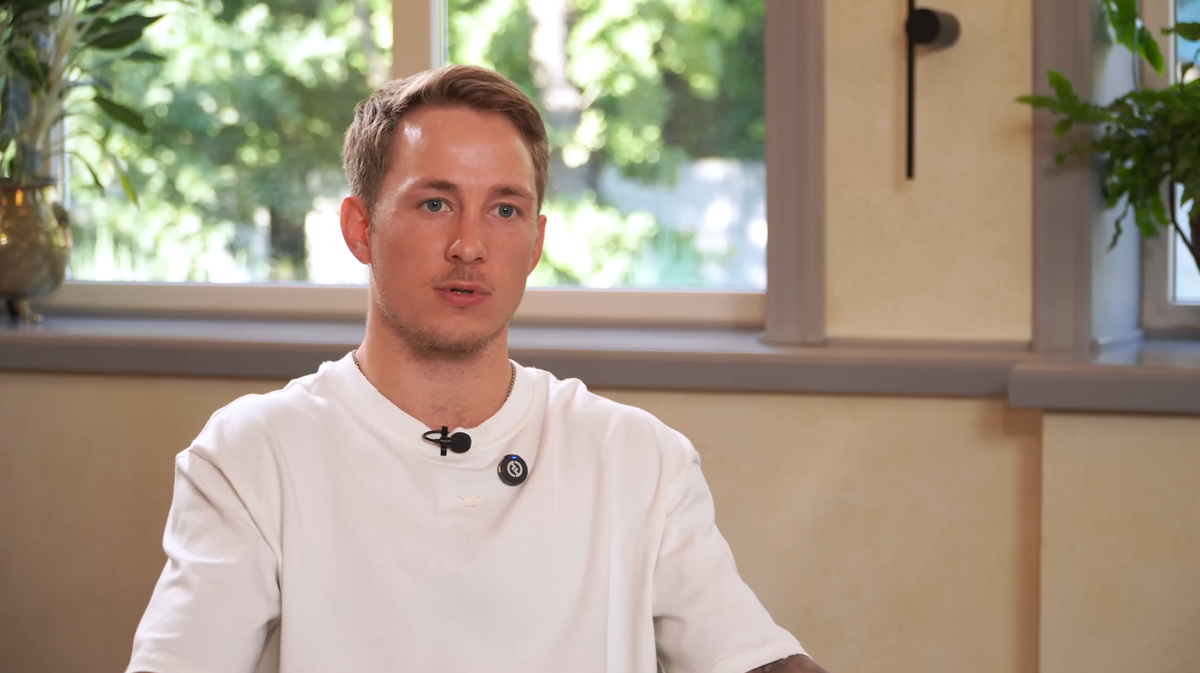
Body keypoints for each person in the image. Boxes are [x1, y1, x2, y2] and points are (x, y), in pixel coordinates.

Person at [125, 65, 830, 673]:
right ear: (360, 229)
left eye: (504, 209)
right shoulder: (255, 455)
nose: (469, 245)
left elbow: (750, 655)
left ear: (536, 242)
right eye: (435, 204)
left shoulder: (637, 458)